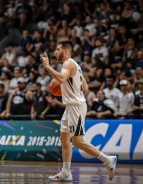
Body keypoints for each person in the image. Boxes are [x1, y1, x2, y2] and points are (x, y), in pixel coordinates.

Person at [40, 40, 117, 181]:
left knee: (78, 142)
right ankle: (66, 172)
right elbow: (85, 88)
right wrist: (72, 88)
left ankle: (107, 160)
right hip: (71, 106)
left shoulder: (68, 63)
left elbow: (62, 78)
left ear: (65, 51)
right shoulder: (76, 66)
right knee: (64, 138)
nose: (55, 52)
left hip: (76, 106)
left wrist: (47, 66)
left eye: (57, 49)